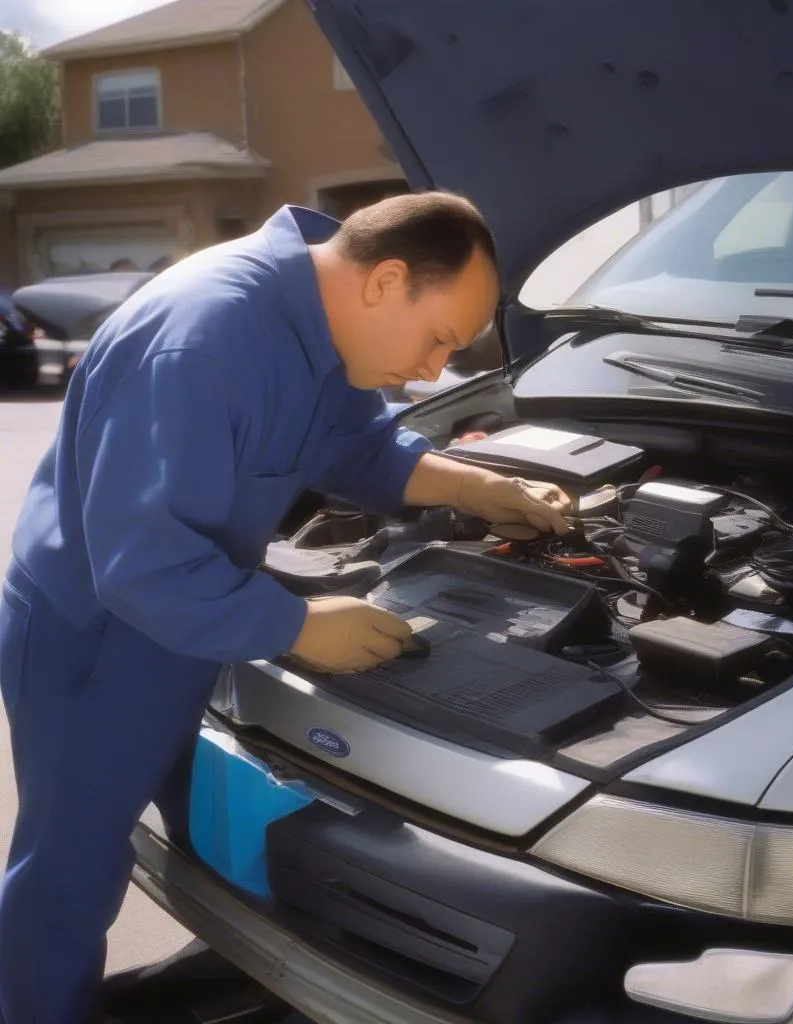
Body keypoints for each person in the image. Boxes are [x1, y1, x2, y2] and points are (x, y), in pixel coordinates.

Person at [0, 192, 572, 1023]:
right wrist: (299, 627)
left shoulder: (314, 318)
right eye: (441, 338)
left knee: (209, 834)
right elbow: (143, 563)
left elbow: (356, 442)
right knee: (70, 873)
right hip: (98, 638)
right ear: (385, 281)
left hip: (187, 621)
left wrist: (478, 486)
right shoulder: (204, 342)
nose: (432, 367)